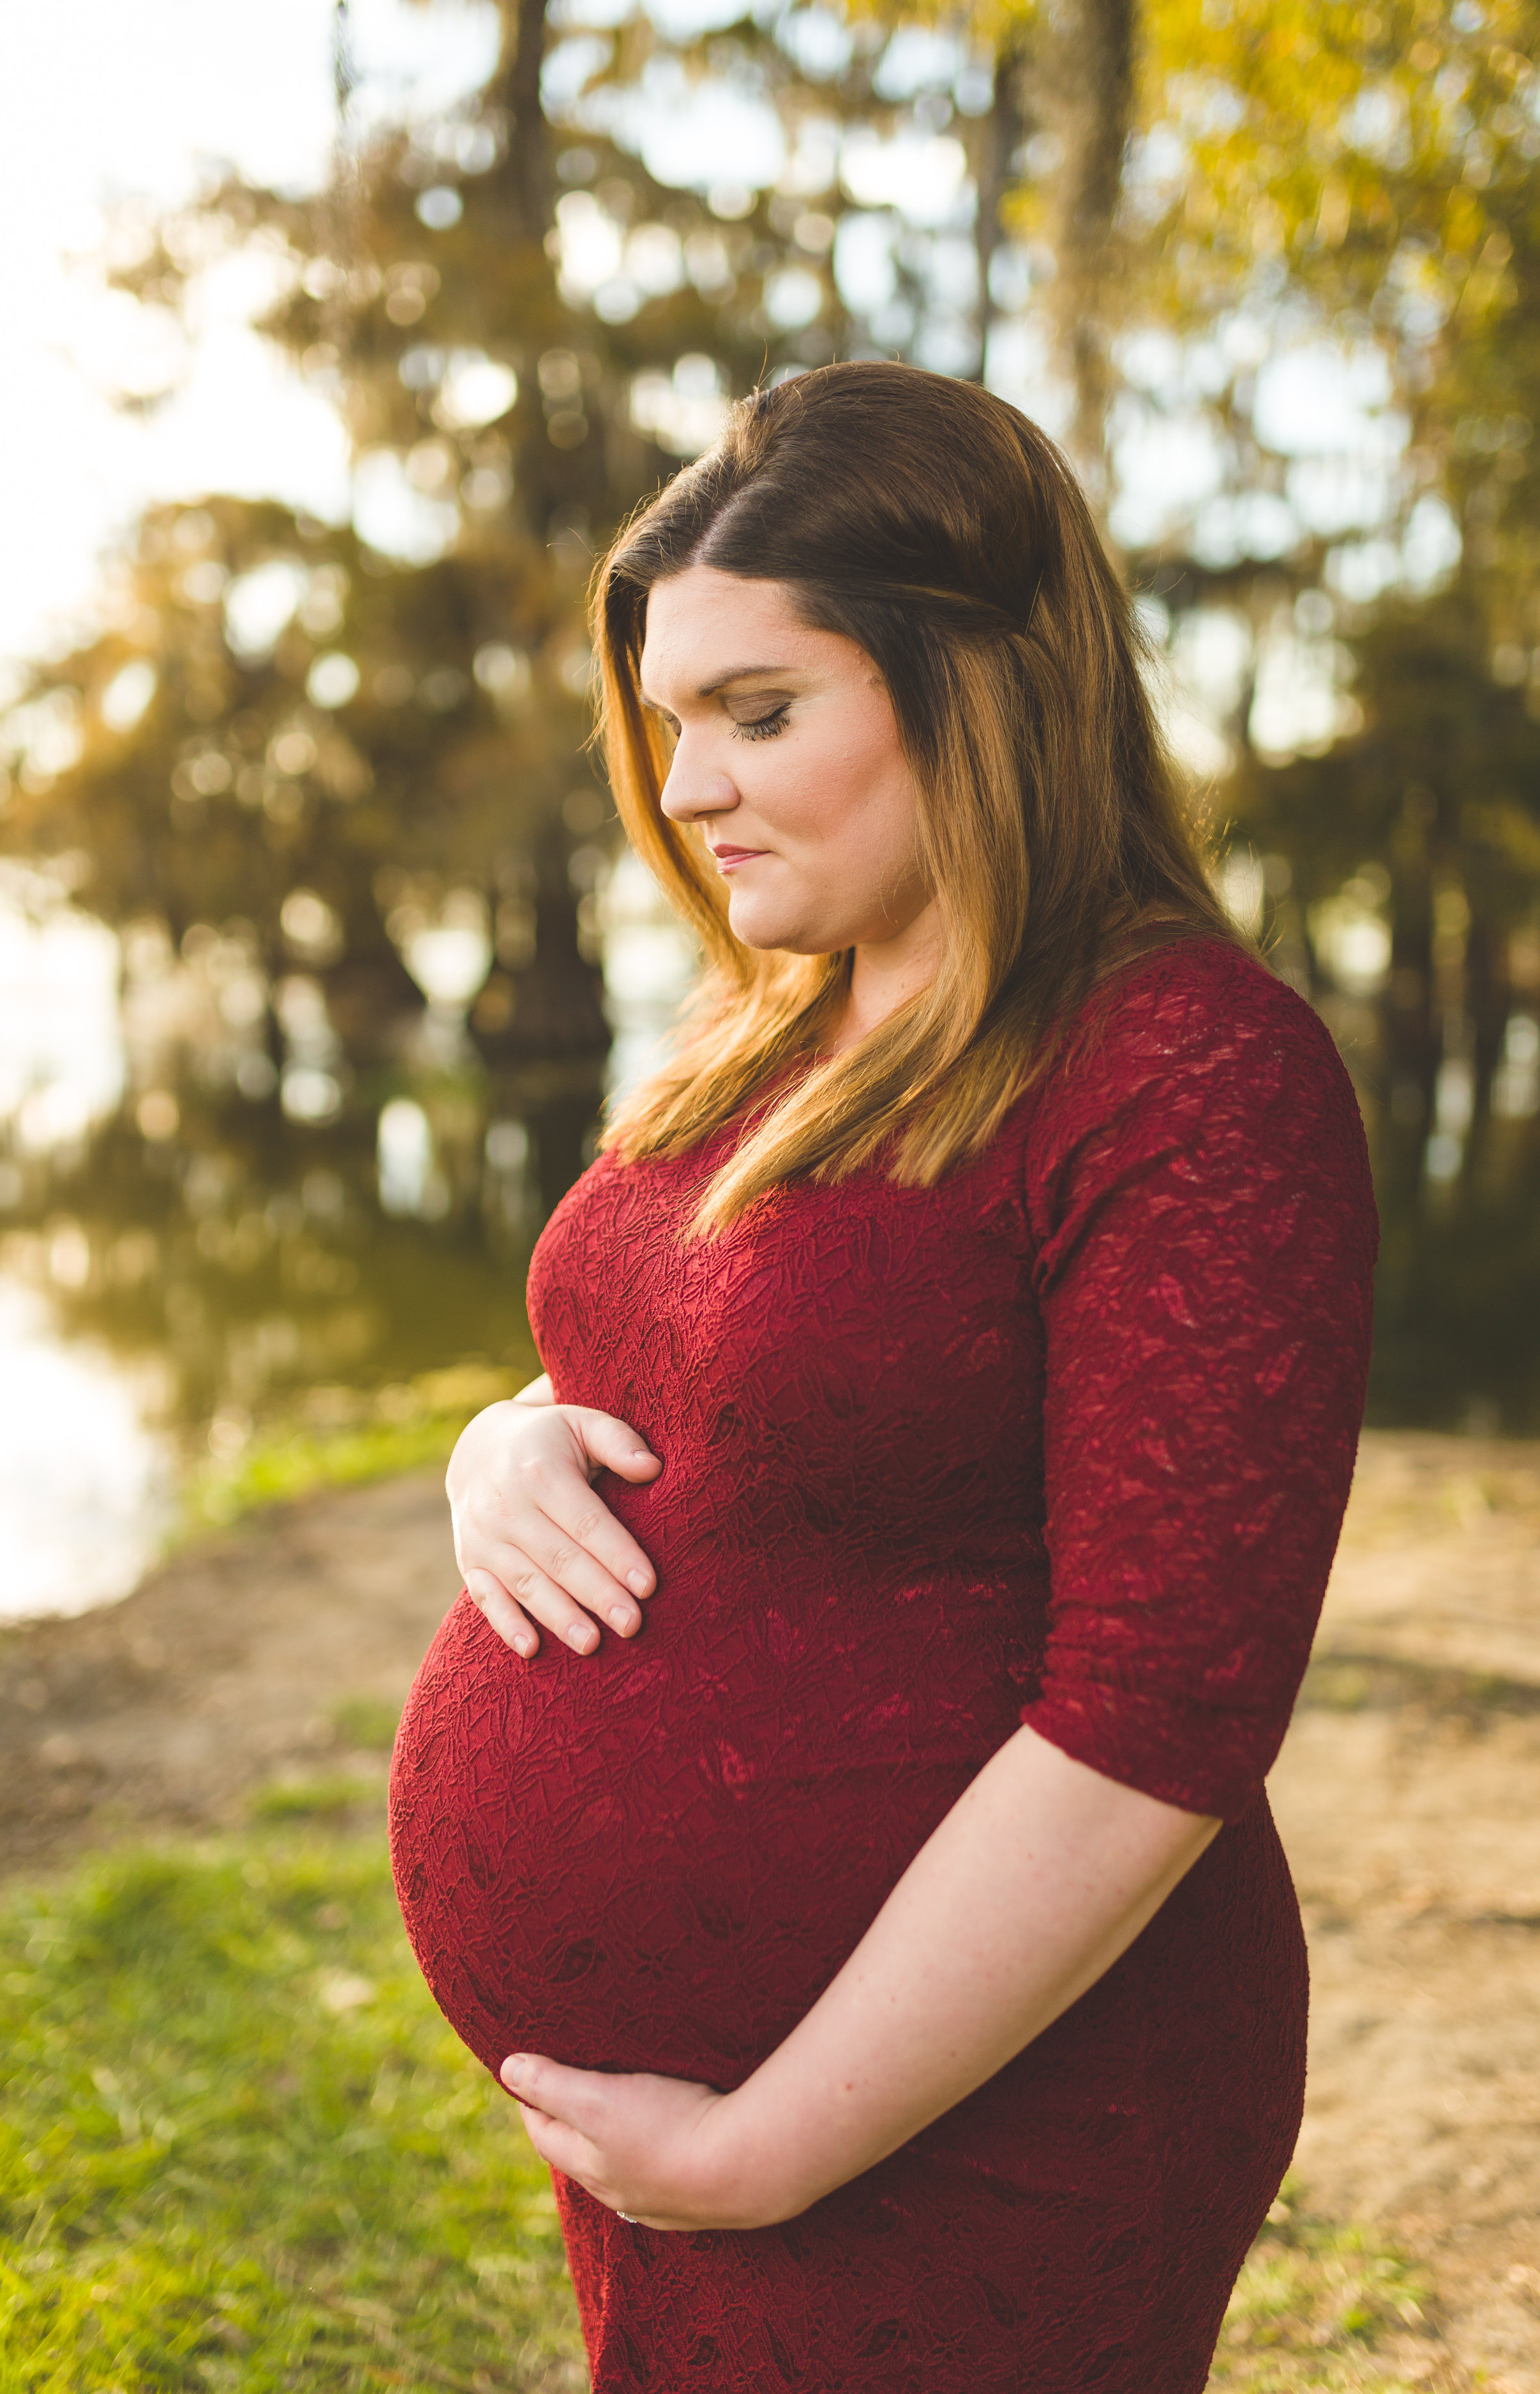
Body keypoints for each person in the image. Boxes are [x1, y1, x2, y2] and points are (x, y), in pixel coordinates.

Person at [388, 361, 1377, 2393]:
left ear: (985, 687)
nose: (687, 787)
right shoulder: (776, 1028)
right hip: (698, 2125)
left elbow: (1159, 1716)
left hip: (980, 2128)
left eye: (761, 713)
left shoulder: (1182, 1068)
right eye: (671, 724)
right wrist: (502, 1450)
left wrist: (767, 2147)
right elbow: (672, 1372)